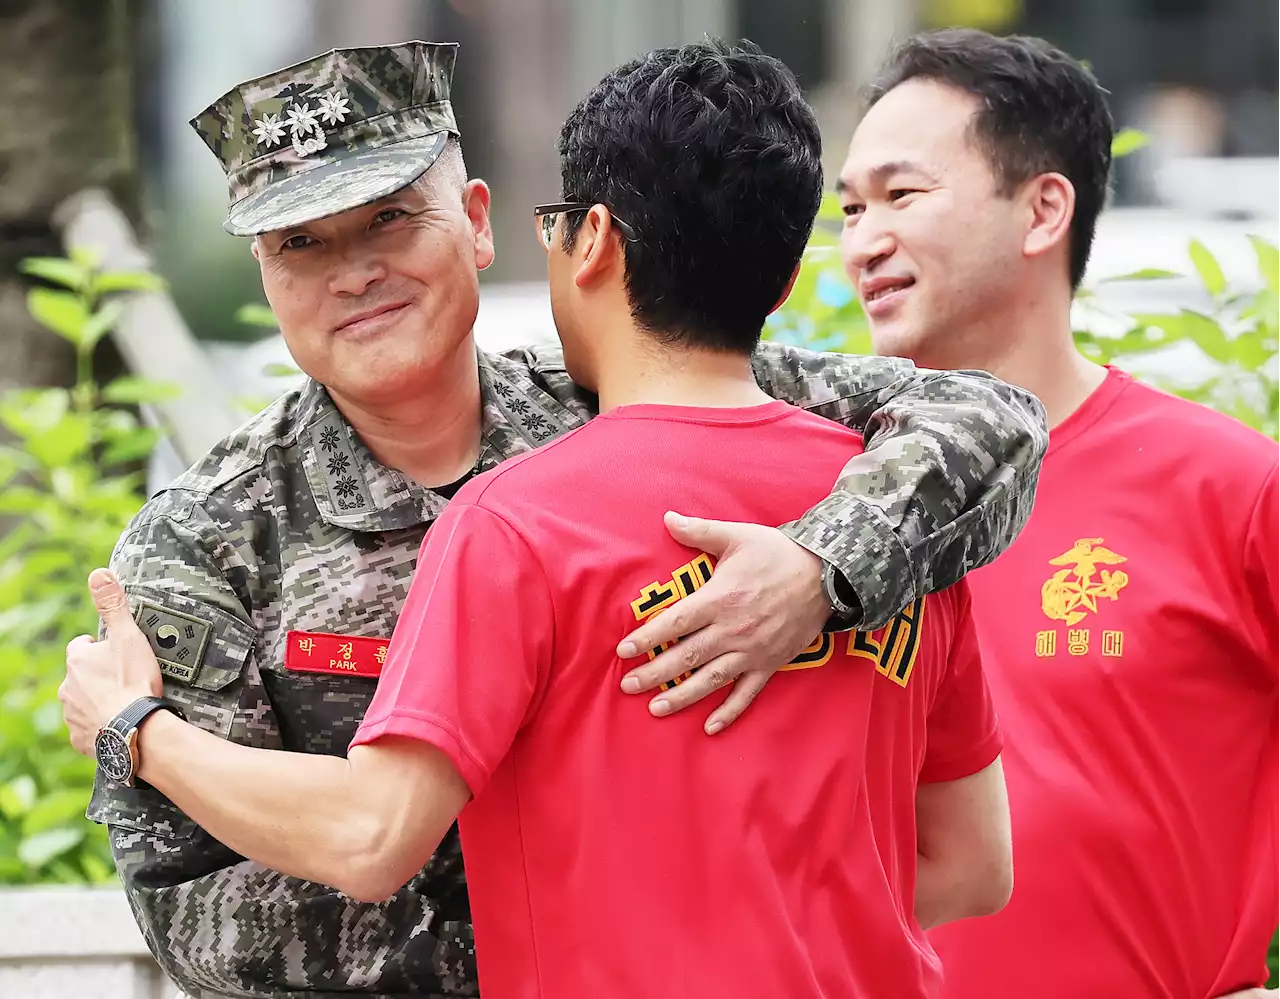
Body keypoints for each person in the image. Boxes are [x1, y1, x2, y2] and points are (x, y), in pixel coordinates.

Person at [81, 39, 1047, 999]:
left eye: (388, 219)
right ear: (262, 271)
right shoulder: (202, 541)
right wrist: (561, 925)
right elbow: (194, 910)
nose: (353, 272)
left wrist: (820, 565)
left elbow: (986, 416)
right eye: (301, 242)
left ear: (476, 223)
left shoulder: (612, 390)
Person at [833, 27, 1280, 999]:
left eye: (900, 196)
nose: (862, 238)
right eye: (849, 207)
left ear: (1041, 210)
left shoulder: (1231, 489)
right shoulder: (817, 508)